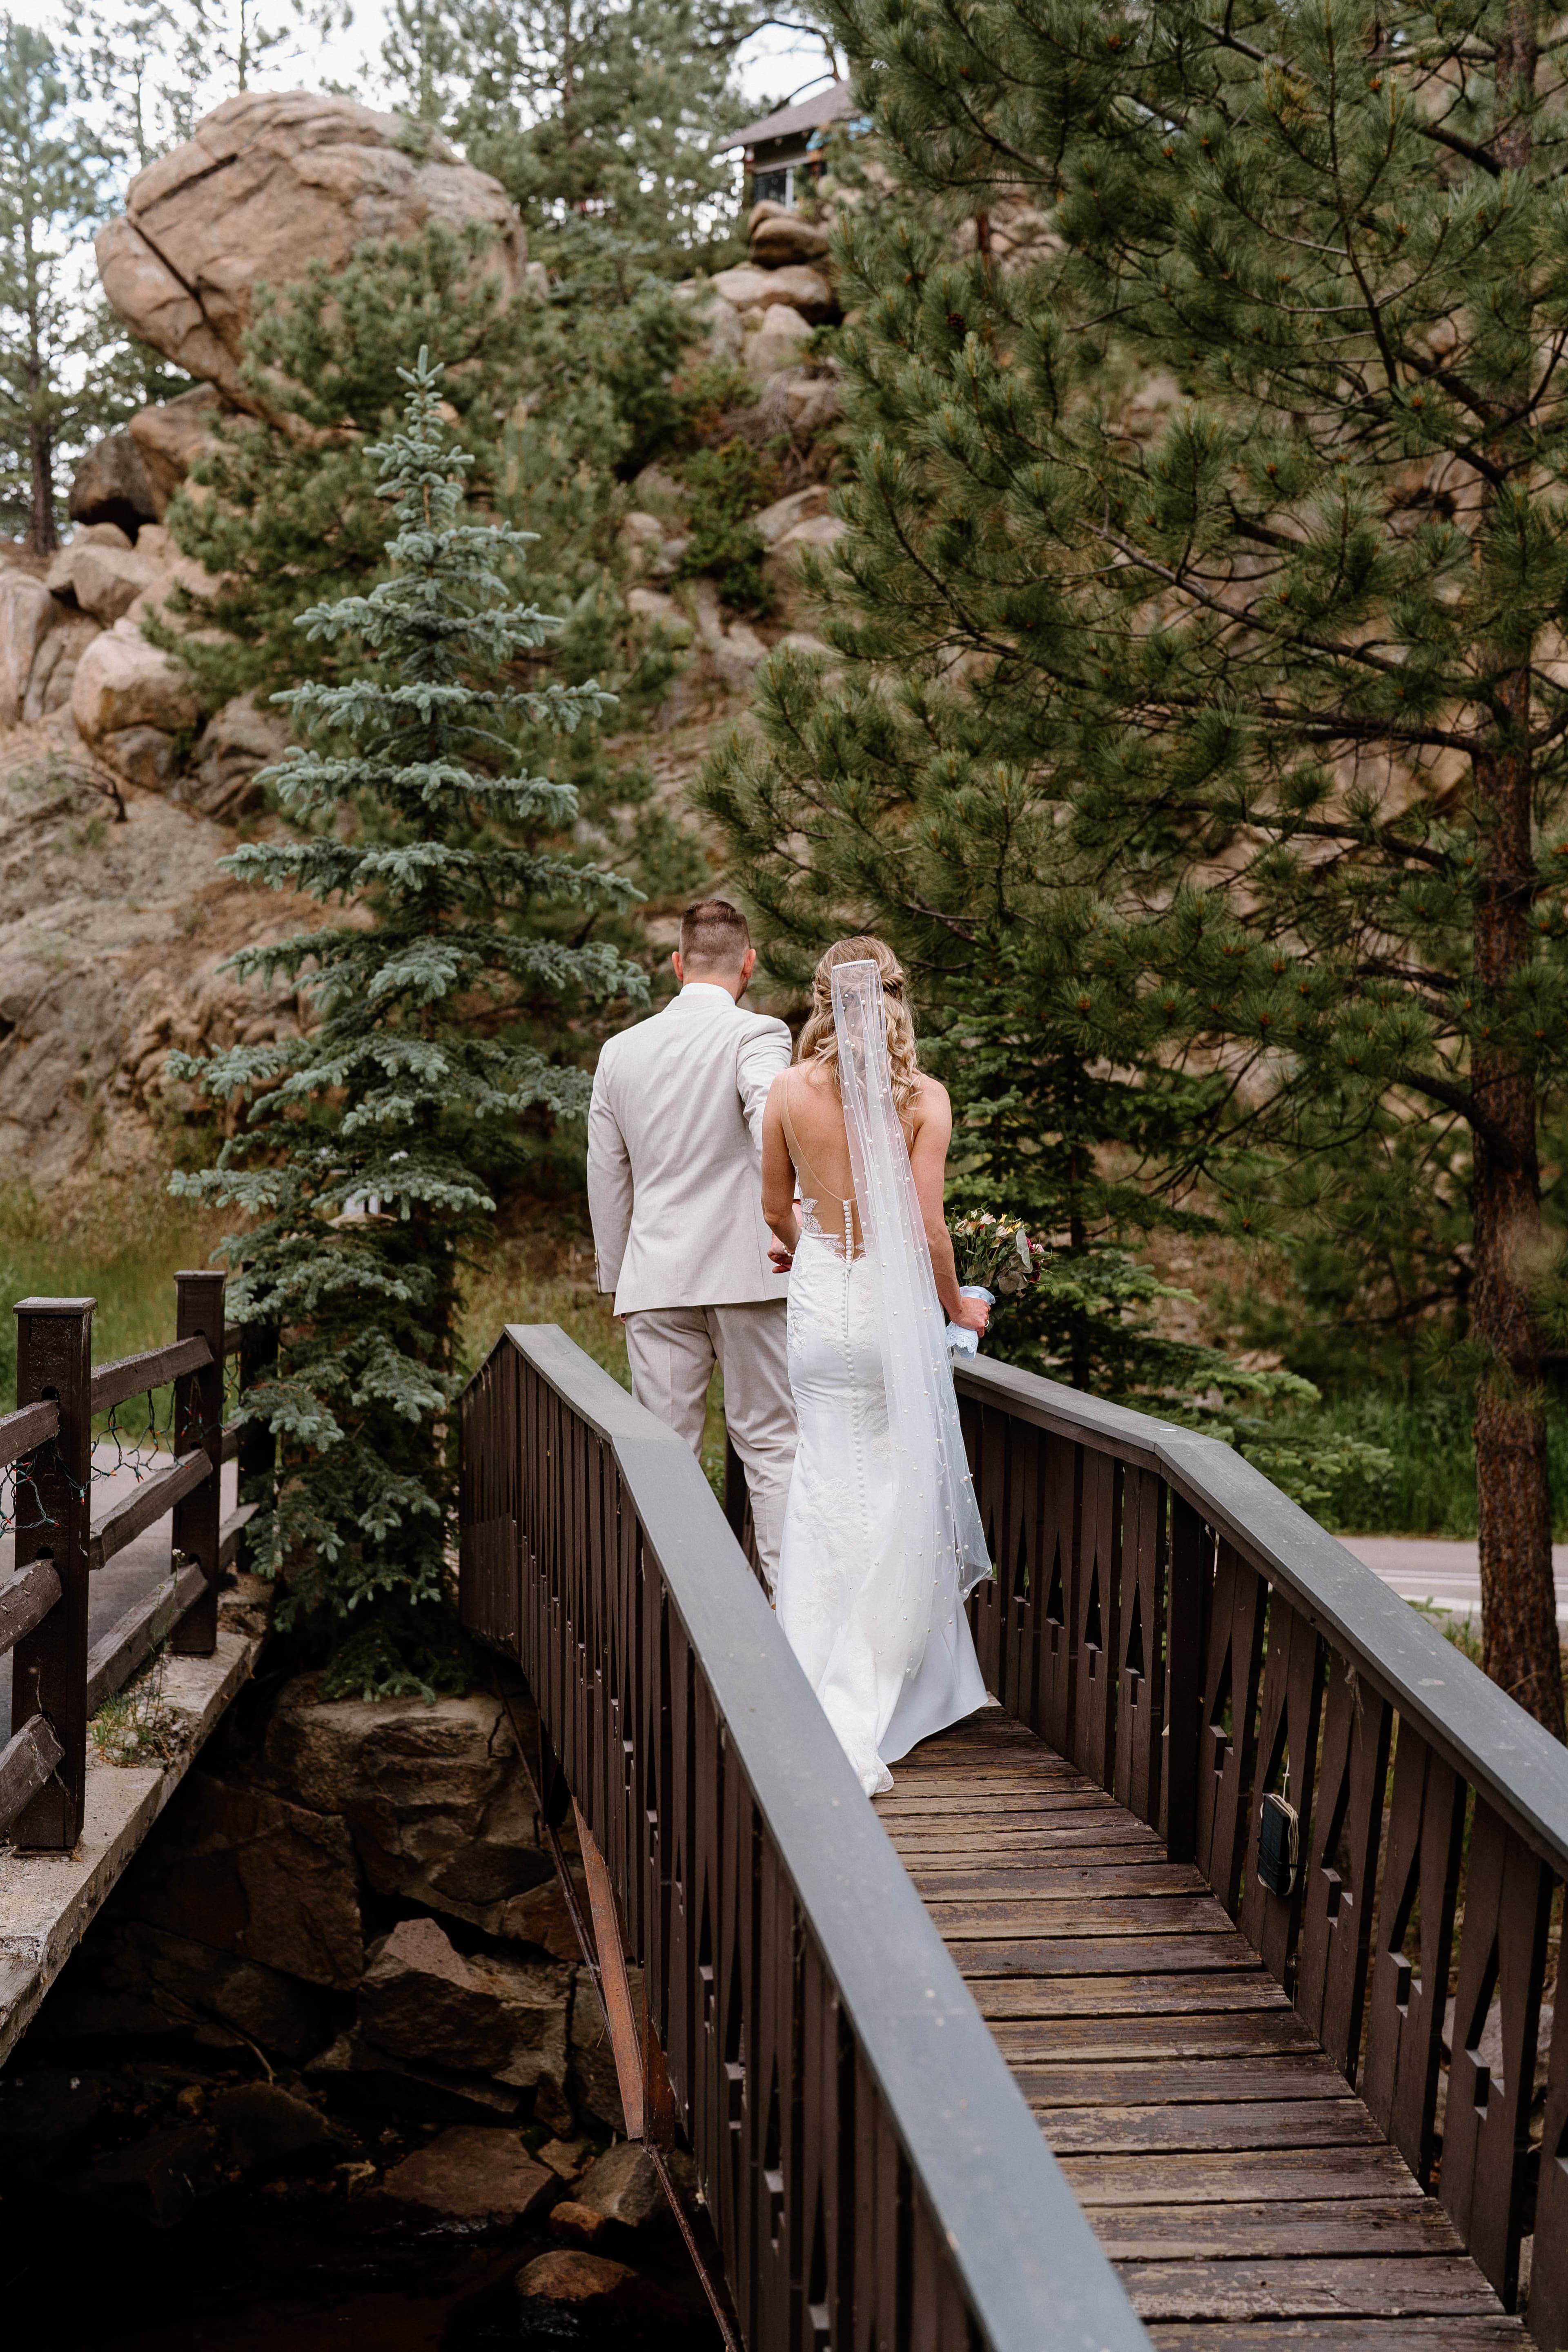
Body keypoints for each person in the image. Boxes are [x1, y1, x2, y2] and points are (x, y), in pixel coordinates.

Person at [760, 937, 992, 1796]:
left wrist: (808, 1248)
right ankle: (868, 1690)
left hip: (821, 1306)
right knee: (896, 1487)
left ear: (820, 1001)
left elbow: (772, 1208)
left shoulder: (787, 1090)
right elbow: (930, 1231)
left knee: (825, 1481)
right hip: (891, 1313)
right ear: (897, 997)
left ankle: (807, 1677)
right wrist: (957, 1307)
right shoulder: (923, 1098)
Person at [588, 898, 796, 1587]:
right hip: (751, 1272)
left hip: (657, 1280)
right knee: (771, 1445)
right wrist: (791, 1223)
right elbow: (771, 1113)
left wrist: (617, 1280)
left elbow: (607, 1174)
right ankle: (788, 1621)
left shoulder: (620, 1052)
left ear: (678, 965)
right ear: (749, 963)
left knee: (666, 1459)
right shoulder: (759, 1033)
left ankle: (675, 1621)